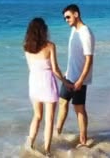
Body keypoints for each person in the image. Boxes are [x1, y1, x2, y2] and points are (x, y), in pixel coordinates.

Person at [23, 17, 72, 156]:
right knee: (49, 119)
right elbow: (55, 69)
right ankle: (47, 151)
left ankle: (30, 144)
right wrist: (65, 81)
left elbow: (30, 67)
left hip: (33, 82)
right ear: (43, 30)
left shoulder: (26, 47)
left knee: (37, 116)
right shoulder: (50, 46)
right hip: (47, 83)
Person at [56, 4, 95, 147]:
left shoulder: (85, 33)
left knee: (79, 108)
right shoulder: (74, 30)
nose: (66, 20)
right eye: (64, 18)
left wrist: (81, 80)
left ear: (76, 14)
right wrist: (67, 73)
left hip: (80, 78)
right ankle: (57, 133)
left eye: (68, 17)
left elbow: (89, 60)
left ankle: (83, 140)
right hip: (69, 75)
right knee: (62, 102)